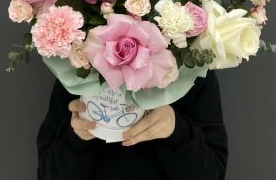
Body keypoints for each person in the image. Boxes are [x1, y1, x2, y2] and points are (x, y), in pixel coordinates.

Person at [37, 69, 228, 180]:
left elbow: (213, 173)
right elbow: (47, 174)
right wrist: (76, 139)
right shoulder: (78, 68)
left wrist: (176, 131)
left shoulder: (193, 71)